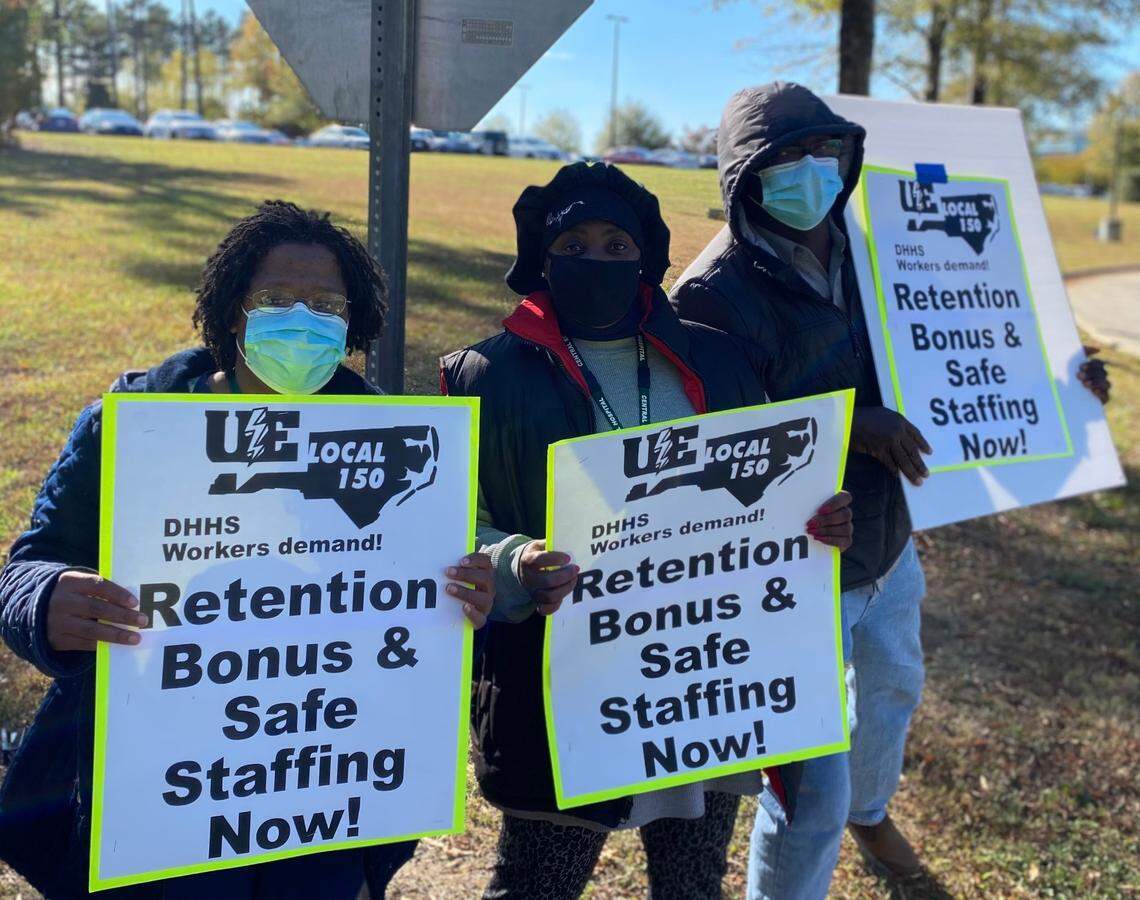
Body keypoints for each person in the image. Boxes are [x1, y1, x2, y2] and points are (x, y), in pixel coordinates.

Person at [671, 82, 1112, 898]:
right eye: (784, 161)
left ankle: (872, 816)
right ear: (743, 179)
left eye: (824, 153)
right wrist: (848, 426)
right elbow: (710, 445)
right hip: (795, 566)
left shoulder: (887, 244)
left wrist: (1063, 383)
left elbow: (972, 337)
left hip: (889, 540)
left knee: (892, 688)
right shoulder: (709, 296)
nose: (810, 173)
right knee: (809, 790)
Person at [0, 200, 496, 899]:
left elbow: (415, 592)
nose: (303, 317)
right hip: (160, 798)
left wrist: (461, 592)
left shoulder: (396, 445)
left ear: (351, 323)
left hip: (321, 793)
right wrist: (46, 600)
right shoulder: (131, 426)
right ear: (235, 310)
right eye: (277, 298)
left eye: (326, 303)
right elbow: (27, 568)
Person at [440, 161, 855, 900]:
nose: (595, 260)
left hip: (700, 678)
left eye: (615, 246)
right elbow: (452, 525)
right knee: (537, 885)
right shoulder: (483, 374)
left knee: (693, 883)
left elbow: (766, 494)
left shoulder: (721, 361)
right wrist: (514, 563)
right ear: (540, 255)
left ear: (646, 259)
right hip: (559, 690)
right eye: (573, 244)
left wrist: (815, 522)